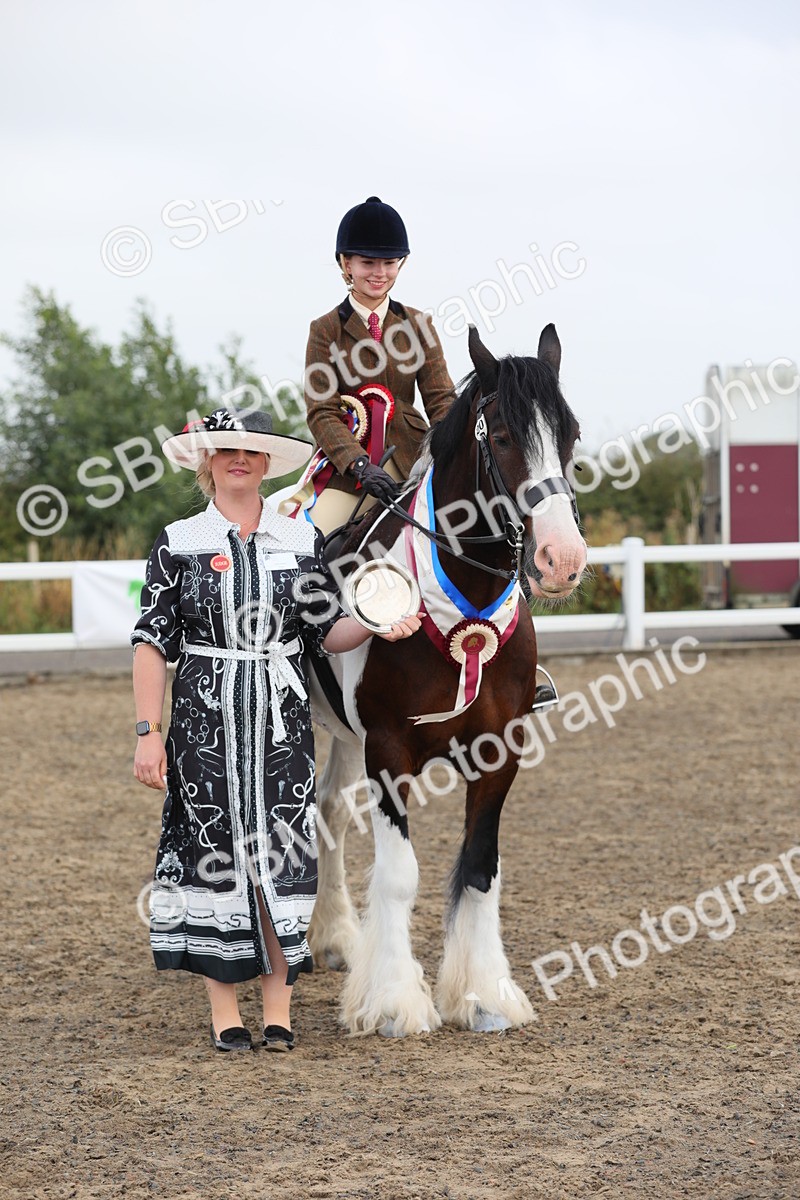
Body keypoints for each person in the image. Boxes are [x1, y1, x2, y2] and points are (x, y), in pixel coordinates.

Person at [131, 408, 420, 1053]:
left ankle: (280, 1008)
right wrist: (149, 731)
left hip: (282, 723)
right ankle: (224, 1011)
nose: (240, 459)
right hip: (205, 720)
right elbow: (151, 644)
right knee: (216, 853)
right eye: (227, 450)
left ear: (266, 465)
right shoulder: (177, 541)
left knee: (283, 852)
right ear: (207, 463)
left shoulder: (299, 542)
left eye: (252, 452)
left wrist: (376, 619)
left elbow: (324, 632)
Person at [301, 195, 455, 535]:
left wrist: (448, 454)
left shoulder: (418, 324)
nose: (380, 273)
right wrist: (358, 464)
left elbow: (442, 400)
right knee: (313, 539)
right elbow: (320, 411)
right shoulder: (325, 330)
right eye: (368, 262)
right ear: (346, 264)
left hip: (414, 461)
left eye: (389, 262)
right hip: (349, 474)